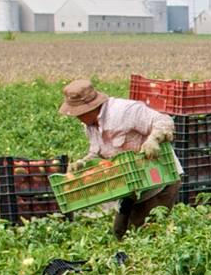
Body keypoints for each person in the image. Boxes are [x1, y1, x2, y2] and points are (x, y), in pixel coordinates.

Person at [60, 78, 178, 239]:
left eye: (78, 112)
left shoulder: (125, 111)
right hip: (129, 186)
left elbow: (163, 120)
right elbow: (98, 152)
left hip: (157, 179)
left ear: (90, 107)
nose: (76, 117)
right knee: (119, 234)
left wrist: (154, 139)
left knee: (143, 236)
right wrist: (83, 163)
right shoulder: (90, 125)